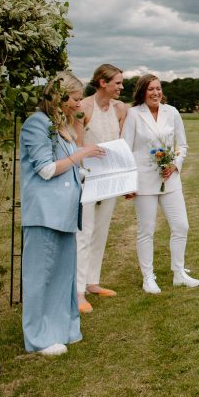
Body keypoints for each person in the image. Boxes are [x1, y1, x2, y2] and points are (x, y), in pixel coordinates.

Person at [19, 72, 105, 356]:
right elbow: (45, 169)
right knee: (40, 276)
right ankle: (39, 338)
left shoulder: (61, 127)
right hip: (44, 212)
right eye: (76, 99)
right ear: (60, 97)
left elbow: (70, 168)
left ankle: (62, 328)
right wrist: (81, 154)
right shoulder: (37, 125)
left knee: (61, 277)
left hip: (65, 212)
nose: (80, 104)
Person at [122, 74, 199, 292]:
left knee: (181, 226)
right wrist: (128, 183)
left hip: (170, 178)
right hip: (143, 180)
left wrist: (175, 164)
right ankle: (148, 277)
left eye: (158, 88)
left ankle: (179, 273)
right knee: (146, 229)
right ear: (142, 92)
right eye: (150, 89)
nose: (156, 93)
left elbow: (182, 145)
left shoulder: (172, 112)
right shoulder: (133, 114)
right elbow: (126, 150)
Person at [74, 64, 127, 314]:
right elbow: (75, 145)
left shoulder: (120, 109)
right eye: (117, 82)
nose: (121, 87)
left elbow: (121, 145)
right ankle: (78, 291)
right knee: (84, 233)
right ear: (102, 83)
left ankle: (93, 282)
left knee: (102, 231)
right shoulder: (83, 107)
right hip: (87, 178)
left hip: (111, 179)